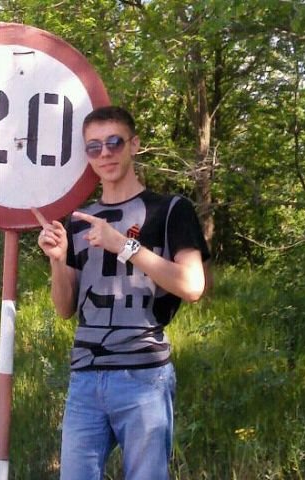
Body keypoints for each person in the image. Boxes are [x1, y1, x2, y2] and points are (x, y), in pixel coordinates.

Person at [32, 106, 210, 480]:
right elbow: (65, 308)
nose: (105, 153)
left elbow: (193, 286)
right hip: (85, 376)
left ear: (134, 144)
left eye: (114, 142)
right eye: (94, 146)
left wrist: (123, 246)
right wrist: (57, 260)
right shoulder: (77, 220)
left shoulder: (170, 210)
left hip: (144, 376)